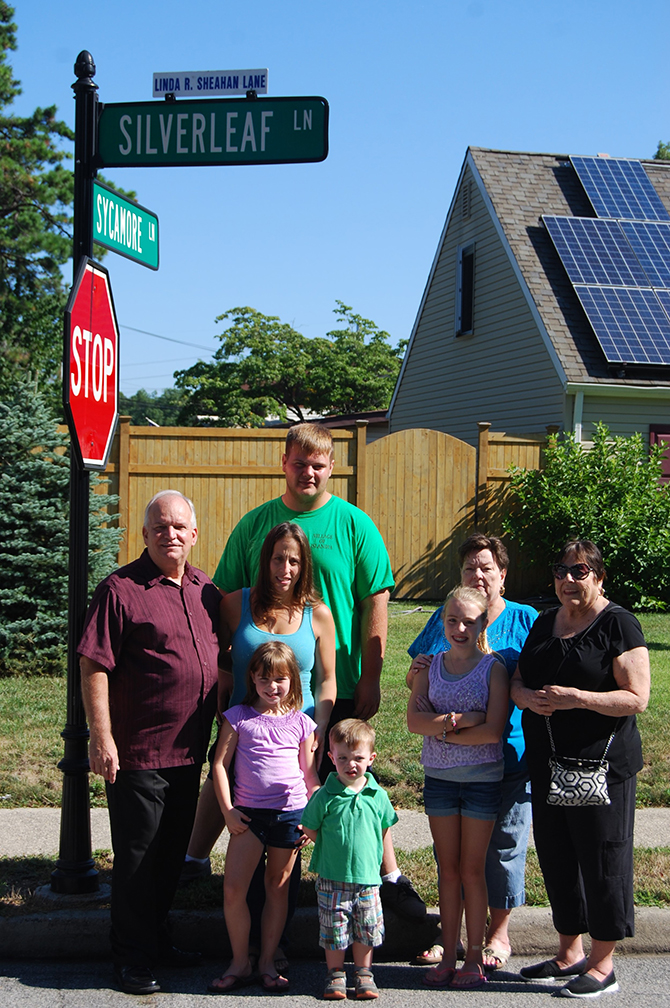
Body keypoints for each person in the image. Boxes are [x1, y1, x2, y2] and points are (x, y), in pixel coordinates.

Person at [184, 422, 425, 921]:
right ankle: (192, 860)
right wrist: (224, 672)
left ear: (331, 467)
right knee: (229, 767)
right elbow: (223, 599)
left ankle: (383, 874)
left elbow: (375, 600)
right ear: (284, 464)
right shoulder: (256, 525)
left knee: (351, 775)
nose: (308, 472)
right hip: (259, 692)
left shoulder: (354, 525)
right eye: (299, 463)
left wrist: (373, 677)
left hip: (332, 685)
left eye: (318, 464)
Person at [78, 490, 221, 996]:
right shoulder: (121, 590)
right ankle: (131, 957)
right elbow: (94, 664)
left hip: (188, 752)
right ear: (145, 534)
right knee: (138, 857)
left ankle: (158, 942)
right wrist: (102, 736)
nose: (171, 534)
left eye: (180, 526)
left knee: (169, 855)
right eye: (160, 527)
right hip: (138, 751)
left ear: (194, 534)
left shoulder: (206, 590)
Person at [511, 540, 650, 999]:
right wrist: (523, 697)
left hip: (601, 770)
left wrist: (577, 698)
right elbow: (519, 677)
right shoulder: (546, 621)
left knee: (603, 859)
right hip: (549, 765)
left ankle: (603, 962)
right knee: (557, 856)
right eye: (561, 571)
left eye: (580, 571)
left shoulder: (619, 624)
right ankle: (569, 951)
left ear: (599, 576)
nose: (569, 580)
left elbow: (637, 698)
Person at [407, 534, 537, 968]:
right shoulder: (450, 614)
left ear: (502, 574)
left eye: (485, 567)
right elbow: (417, 676)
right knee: (457, 857)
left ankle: (497, 936)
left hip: (511, 752)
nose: (477, 575)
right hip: (449, 763)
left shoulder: (525, 619)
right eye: (469, 568)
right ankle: (454, 938)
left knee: (502, 847)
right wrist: (420, 676)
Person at [407, 586, 509, 990]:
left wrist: (442, 731)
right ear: (443, 622)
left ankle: (472, 958)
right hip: (440, 782)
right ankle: (448, 954)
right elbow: (414, 723)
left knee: (471, 870)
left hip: (482, 782)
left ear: (483, 623)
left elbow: (493, 732)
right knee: (447, 871)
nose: (460, 628)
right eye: (452, 620)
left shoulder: (493, 669)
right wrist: (460, 720)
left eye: (469, 621)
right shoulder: (429, 667)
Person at [208, 641, 320, 993]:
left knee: (278, 889)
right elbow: (219, 766)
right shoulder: (238, 718)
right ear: (253, 679)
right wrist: (228, 811)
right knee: (233, 890)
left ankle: (269, 960)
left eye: (281, 680)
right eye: (265, 679)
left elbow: (310, 775)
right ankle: (240, 961)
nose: (273, 687)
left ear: (294, 682)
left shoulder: (303, 723)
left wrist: (312, 818)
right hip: (248, 818)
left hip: (290, 816)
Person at [301, 719, 399, 1001]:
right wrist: (331, 846)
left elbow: (384, 826)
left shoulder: (377, 795)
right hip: (332, 876)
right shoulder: (325, 795)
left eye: (358, 758)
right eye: (342, 758)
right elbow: (309, 826)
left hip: (367, 877)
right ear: (331, 758)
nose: (350, 764)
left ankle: (364, 972)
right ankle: (335, 973)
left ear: (371, 758)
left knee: (366, 929)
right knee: (334, 928)